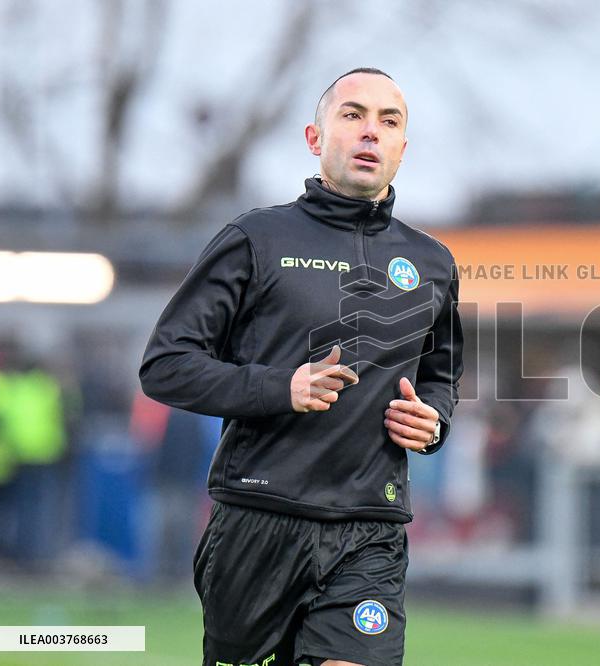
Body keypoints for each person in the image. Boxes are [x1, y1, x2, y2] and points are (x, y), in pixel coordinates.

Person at [140, 67, 464, 666]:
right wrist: (277, 387)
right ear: (315, 139)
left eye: (388, 121)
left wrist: (434, 420)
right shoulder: (255, 238)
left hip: (370, 528)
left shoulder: (432, 263)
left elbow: (440, 375)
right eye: (353, 115)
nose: (371, 132)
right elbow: (165, 365)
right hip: (259, 520)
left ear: (402, 148)